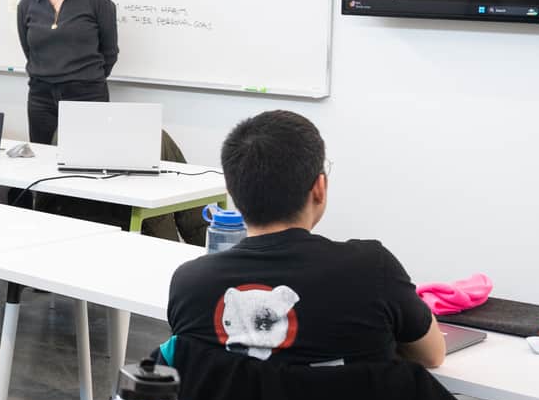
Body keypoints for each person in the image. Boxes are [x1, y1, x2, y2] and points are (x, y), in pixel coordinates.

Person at [163, 110, 446, 369]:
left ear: (233, 191)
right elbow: (432, 355)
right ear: (319, 188)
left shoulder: (190, 284)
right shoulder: (371, 269)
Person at [15, 0, 118, 145]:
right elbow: (30, 51)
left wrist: (83, 79)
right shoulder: (27, 5)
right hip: (41, 98)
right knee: (43, 164)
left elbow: (109, 51)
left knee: (89, 161)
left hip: (87, 96)